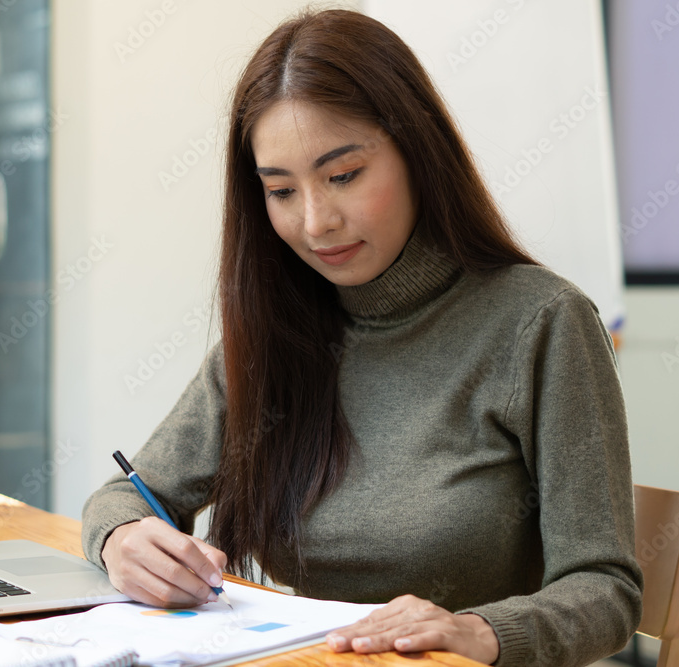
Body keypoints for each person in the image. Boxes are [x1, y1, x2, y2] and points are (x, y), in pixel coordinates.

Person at [82, 9, 642, 666]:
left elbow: (607, 589)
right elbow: (126, 495)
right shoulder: (280, 329)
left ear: (417, 151)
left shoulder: (541, 321)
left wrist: (479, 631)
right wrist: (122, 540)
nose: (316, 222)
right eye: (282, 190)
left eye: (343, 175)